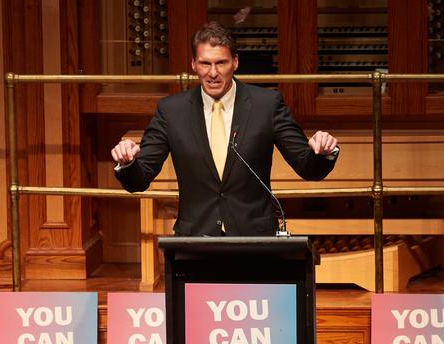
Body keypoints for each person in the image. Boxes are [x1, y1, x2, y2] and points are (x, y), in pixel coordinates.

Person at [111, 21, 339, 236]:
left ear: (235, 62)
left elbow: (308, 168)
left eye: (221, 63)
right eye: (205, 63)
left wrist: (323, 151)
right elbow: (139, 180)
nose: (212, 73)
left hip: (254, 239)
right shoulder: (171, 111)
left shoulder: (266, 105)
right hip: (196, 240)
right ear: (193, 64)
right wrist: (127, 162)